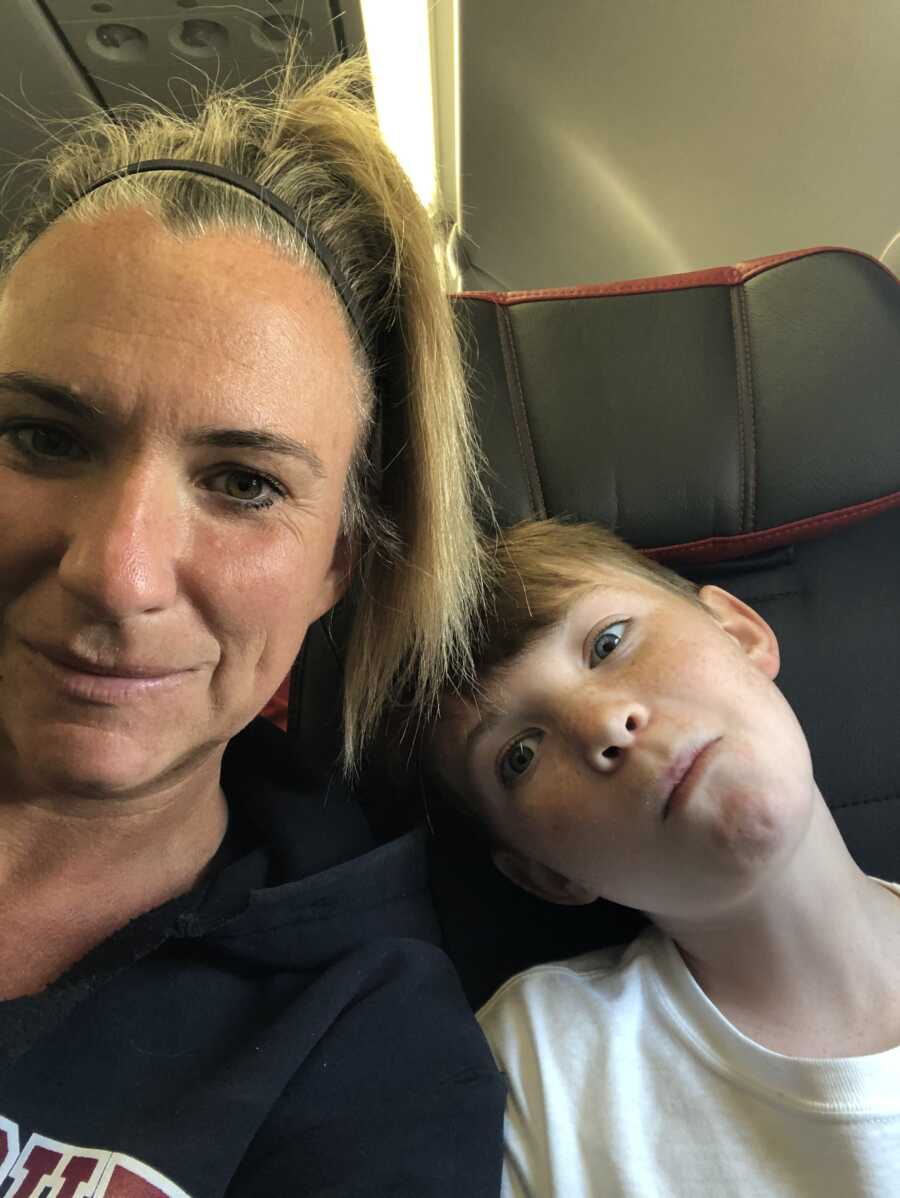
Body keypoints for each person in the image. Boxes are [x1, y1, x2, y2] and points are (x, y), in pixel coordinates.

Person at [0, 51, 504, 1197]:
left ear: (337, 564)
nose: (118, 574)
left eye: (242, 483)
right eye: (42, 437)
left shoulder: (369, 1053)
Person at [425, 518, 900, 1198]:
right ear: (547, 873)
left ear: (740, 633)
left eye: (609, 642)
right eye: (519, 756)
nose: (602, 724)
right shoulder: (536, 1072)